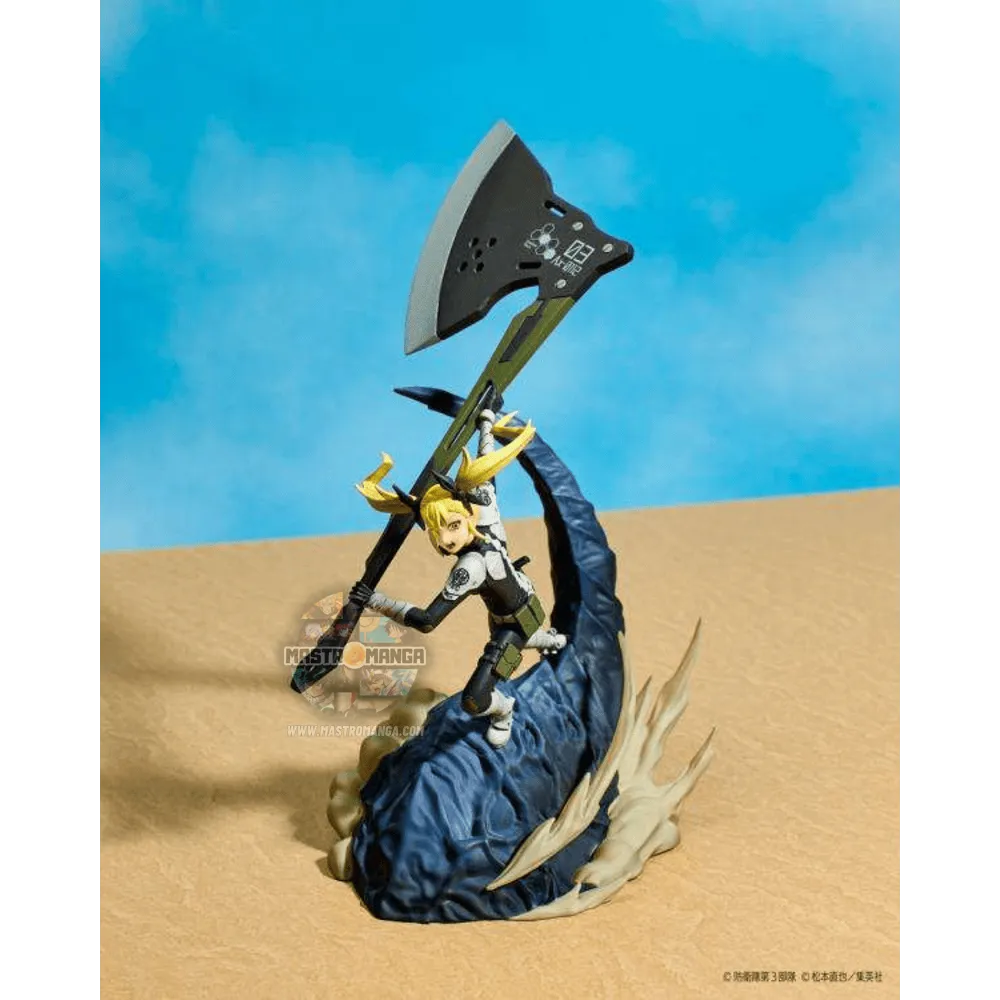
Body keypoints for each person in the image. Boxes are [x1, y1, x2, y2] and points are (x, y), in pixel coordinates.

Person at [349, 408, 566, 748]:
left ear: (467, 514)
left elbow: (426, 620)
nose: (445, 540)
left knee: (474, 700)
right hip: (511, 614)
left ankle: (504, 709)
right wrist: (485, 426)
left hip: (517, 616)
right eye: (434, 531)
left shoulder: (473, 558)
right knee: (515, 644)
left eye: (451, 526)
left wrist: (376, 601)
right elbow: (486, 475)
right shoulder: (481, 529)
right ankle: (549, 642)